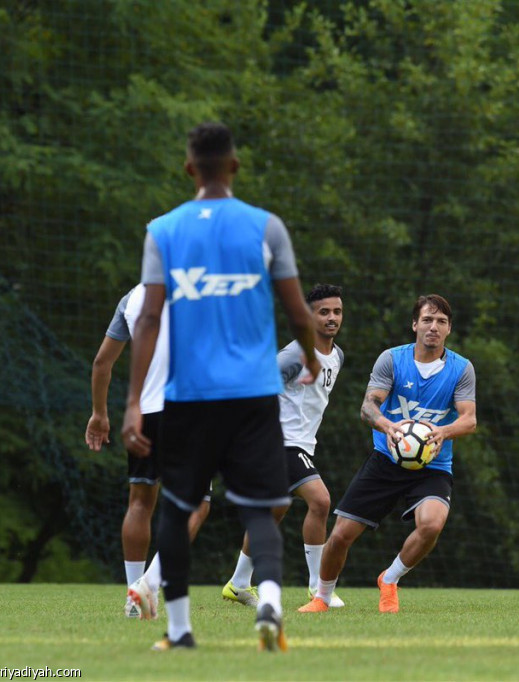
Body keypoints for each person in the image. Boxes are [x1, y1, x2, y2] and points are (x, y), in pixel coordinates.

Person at [121, 122, 321, 652]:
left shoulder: (163, 231)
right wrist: (310, 356)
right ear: (234, 166)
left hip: (189, 396)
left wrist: (133, 402)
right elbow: (298, 311)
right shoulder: (266, 227)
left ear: (189, 168)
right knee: (260, 506)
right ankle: (271, 602)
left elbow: (148, 320)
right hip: (253, 394)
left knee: (177, 508)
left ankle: (180, 631)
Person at [298, 294, 476, 615]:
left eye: (441, 322)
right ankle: (321, 598)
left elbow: (469, 419)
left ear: (449, 329)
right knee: (340, 535)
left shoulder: (461, 369)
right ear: (414, 324)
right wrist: (388, 426)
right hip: (386, 460)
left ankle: (389, 579)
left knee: (432, 525)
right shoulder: (392, 360)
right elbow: (368, 407)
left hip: (433, 465)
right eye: (427, 320)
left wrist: (443, 432)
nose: (433, 327)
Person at [86, 284, 211, 619]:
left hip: (143, 416)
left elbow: (101, 362)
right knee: (198, 504)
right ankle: (149, 584)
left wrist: (99, 414)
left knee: (140, 502)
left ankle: (133, 597)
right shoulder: (204, 286)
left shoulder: (131, 298)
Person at [223, 283, 347, 609]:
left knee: (274, 510)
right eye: (324, 312)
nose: (332, 318)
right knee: (320, 501)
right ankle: (318, 588)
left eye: (337, 312)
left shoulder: (337, 355)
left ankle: (238, 583)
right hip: (281, 442)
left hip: (302, 443)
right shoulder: (295, 355)